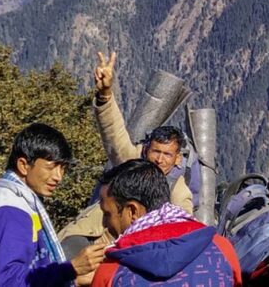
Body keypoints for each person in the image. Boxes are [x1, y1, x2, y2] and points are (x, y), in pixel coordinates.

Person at [59, 52, 193, 254]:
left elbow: (180, 235)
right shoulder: (131, 165)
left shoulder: (178, 193)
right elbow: (115, 137)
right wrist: (105, 95)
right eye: (156, 151)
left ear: (177, 159)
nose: (159, 159)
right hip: (83, 242)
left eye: (167, 154)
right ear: (146, 149)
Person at [91, 159, 241, 286]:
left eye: (107, 214)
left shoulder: (111, 272)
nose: (105, 223)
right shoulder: (221, 249)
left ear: (132, 211)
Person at [0, 123, 106, 287]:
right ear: (23, 165)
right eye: (51, 167)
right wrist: (70, 269)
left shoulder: (21, 201)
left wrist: (73, 280)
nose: (58, 177)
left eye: (63, 168)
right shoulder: (11, 211)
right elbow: (7, 282)